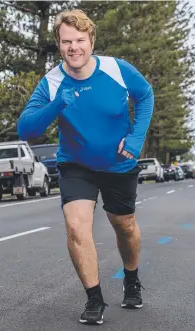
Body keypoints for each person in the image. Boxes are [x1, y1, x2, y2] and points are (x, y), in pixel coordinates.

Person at [17, 9, 154, 325]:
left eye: (80, 40)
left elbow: (145, 95)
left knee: (124, 225)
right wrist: (57, 104)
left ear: (91, 40)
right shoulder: (52, 82)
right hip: (75, 164)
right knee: (77, 226)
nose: (73, 47)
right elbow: (26, 129)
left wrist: (135, 139)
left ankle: (131, 277)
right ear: (59, 44)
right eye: (67, 42)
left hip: (118, 163)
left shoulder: (116, 69)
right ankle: (95, 299)